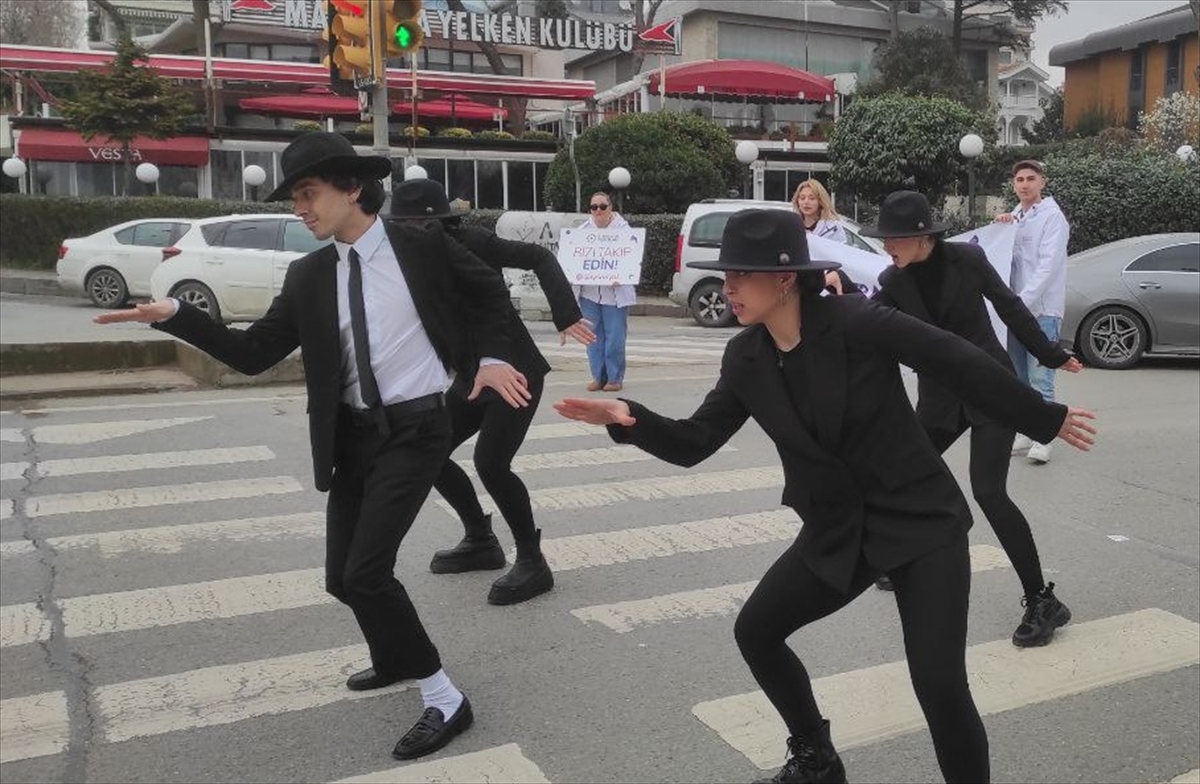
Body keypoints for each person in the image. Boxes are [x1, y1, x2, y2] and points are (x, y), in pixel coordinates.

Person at [553, 209, 1097, 784]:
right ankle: (816, 755)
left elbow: (958, 359)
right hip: (839, 527)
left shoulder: (858, 321)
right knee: (757, 631)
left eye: (742, 274)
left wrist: (1044, 416)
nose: (728, 287)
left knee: (937, 682)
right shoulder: (746, 357)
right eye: (727, 274)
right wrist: (628, 418)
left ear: (785, 277)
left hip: (920, 520)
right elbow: (696, 442)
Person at [94, 132, 532, 761]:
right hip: (351, 436)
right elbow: (252, 355)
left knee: (368, 573)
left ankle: (443, 695)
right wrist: (175, 316)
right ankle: (392, 656)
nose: (299, 208)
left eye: (308, 194)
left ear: (352, 188)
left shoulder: (424, 247)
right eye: (295, 197)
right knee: (340, 579)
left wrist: (490, 357)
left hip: (418, 429)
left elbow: (490, 292)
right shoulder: (309, 275)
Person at [866, 190, 1082, 645]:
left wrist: (1050, 354)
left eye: (894, 238)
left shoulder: (968, 260)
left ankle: (1043, 601)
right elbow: (867, 326)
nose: (887, 246)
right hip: (940, 398)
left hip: (988, 390)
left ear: (922, 236)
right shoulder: (892, 281)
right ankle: (900, 555)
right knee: (901, 474)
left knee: (989, 491)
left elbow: (1009, 307)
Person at [388, 178, 595, 605]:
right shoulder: (403, 259)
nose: (406, 235)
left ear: (442, 224)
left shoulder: (471, 242)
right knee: (430, 449)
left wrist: (565, 314)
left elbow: (538, 256)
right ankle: (480, 539)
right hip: (471, 375)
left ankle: (533, 560)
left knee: (491, 463)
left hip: (515, 370)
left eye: (415, 226)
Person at [994, 159, 1071, 464]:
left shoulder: (1053, 218)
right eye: (1019, 180)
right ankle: (1027, 428)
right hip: (1015, 311)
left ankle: (1045, 435)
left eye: (1030, 178)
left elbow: (1047, 267)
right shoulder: (1015, 216)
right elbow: (1005, 260)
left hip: (1041, 310)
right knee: (1019, 376)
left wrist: (1020, 303)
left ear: (1042, 182)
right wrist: (1001, 230)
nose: (1024, 184)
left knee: (1041, 376)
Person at [574, 191, 634, 392]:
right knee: (592, 338)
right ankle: (598, 377)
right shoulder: (581, 232)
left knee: (615, 338)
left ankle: (614, 378)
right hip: (589, 294)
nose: (598, 210)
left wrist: (623, 274)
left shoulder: (625, 232)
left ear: (611, 208)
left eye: (602, 206)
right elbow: (573, 262)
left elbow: (632, 261)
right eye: (594, 207)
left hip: (614, 295)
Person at [791, 178, 847, 244]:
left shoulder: (833, 228)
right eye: (802, 198)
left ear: (821, 201)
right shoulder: (791, 227)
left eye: (812, 198)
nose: (806, 202)